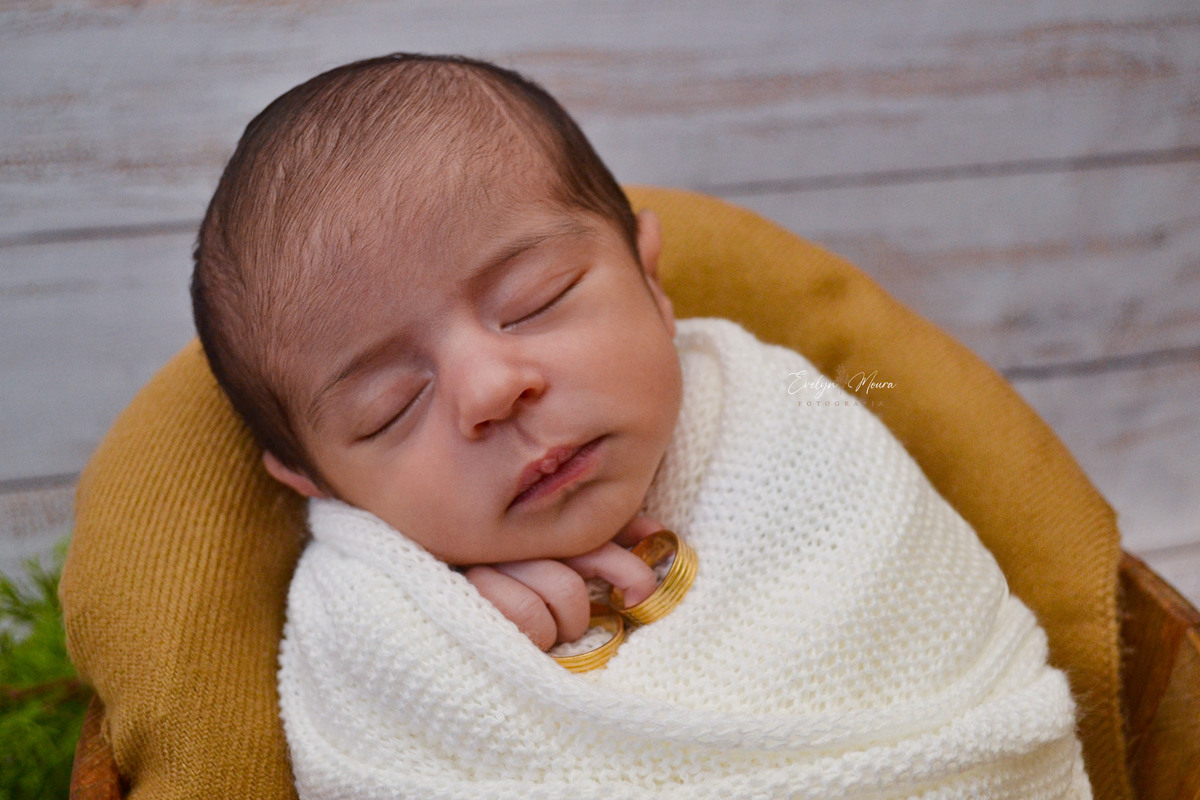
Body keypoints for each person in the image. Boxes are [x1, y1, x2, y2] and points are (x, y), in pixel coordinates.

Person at [191, 53, 1091, 799]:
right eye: (391, 406)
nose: (491, 390)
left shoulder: (782, 420)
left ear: (653, 284)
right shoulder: (376, 617)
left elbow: (938, 657)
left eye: (533, 301)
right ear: (316, 479)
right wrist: (464, 650)